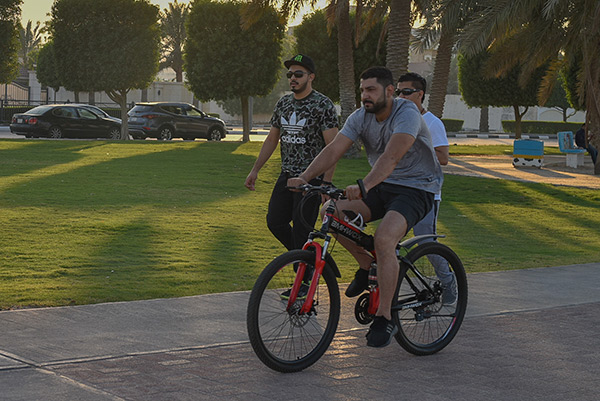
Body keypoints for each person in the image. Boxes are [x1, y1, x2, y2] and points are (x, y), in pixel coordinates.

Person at [288, 66, 443, 348]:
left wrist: (364, 185)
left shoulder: (407, 113)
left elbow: (392, 157)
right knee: (331, 212)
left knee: (384, 239)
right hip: (382, 185)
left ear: (389, 91)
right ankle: (365, 265)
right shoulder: (360, 116)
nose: (365, 96)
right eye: (362, 90)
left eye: (371, 89)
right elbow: (334, 149)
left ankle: (385, 317)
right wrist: (305, 177)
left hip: (417, 188)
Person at [245, 54, 339, 261]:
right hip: (287, 175)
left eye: (298, 74)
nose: (293, 78)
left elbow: (333, 147)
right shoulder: (284, 103)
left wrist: (326, 182)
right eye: (290, 75)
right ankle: (309, 257)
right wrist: (255, 170)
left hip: (311, 179)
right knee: (275, 222)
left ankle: (303, 271)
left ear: (311, 77)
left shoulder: (322, 105)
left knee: (301, 231)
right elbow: (272, 139)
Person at [396, 72, 457, 305]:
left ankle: (448, 280)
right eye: (398, 92)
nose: (401, 96)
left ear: (420, 94)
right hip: (399, 191)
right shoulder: (397, 119)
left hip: (426, 192)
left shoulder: (432, 123)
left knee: (424, 242)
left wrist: (413, 147)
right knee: (387, 240)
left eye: (406, 92)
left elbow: (443, 157)